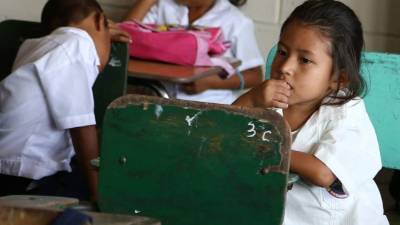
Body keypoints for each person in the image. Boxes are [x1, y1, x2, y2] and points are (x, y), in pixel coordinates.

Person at [233, 1, 389, 224]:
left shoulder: (346, 113)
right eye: (282, 52)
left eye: (304, 60)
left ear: (338, 78)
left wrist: (264, 149)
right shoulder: (268, 102)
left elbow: (322, 173)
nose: (285, 66)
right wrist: (251, 99)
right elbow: (222, 131)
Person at [0, 0, 129, 202]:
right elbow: (82, 127)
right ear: (98, 20)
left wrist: (101, 36)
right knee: (119, 186)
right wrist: (98, 194)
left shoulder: (34, 47)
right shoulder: (78, 43)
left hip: (10, 165)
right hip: (22, 175)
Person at [125, 0, 264, 104]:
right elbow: (124, 36)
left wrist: (210, 82)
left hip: (209, 107)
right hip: (158, 100)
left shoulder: (236, 21)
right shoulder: (164, 6)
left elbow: (255, 76)